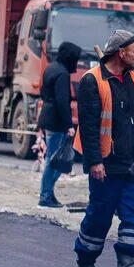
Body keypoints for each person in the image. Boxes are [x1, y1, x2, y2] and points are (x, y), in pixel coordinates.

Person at [72, 30, 134, 267]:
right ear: (121, 53)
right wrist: (94, 162)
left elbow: (133, 114)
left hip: (132, 162)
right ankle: (86, 263)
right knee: (100, 215)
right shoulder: (92, 81)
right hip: (105, 163)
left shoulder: (133, 77)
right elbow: (90, 126)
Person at [37, 41, 82, 208]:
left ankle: (48, 194)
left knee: (53, 159)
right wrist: (69, 125)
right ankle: (45, 196)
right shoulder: (63, 74)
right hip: (56, 121)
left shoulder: (50, 68)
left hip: (47, 117)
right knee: (54, 161)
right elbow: (63, 101)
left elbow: (43, 93)